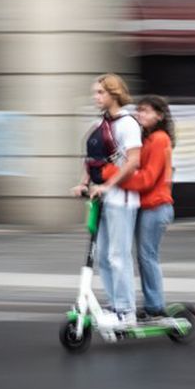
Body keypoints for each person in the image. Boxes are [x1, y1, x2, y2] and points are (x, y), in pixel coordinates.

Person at [70, 74, 142, 328]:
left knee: (118, 256)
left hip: (122, 199)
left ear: (114, 94)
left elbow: (133, 161)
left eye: (100, 92)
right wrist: (83, 183)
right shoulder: (99, 123)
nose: (96, 97)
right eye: (95, 92)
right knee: (103, 256)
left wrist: (108, 185)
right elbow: (90, 160)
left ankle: (126, 312)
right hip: (101, 199)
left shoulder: (128, 124)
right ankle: (115, 306)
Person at [100, 95, 175, 319]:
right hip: (146, 206)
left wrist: (110, 173)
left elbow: (146, 179)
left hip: (156, 207)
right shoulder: (147, 138)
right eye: (139, 110)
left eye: (146, 111)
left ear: (159, 116)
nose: (139, 114)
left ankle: (155, 306)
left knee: (146, 256)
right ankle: (149, 304)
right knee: (140, 256)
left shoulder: (160, 139)